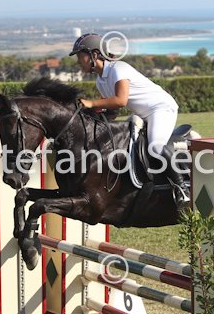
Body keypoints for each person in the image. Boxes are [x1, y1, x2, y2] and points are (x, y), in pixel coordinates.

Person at [70, 33, 190, 205]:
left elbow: (121, 100)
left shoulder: (118, 68)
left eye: (80, 57)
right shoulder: (100, 81)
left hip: (161, 109)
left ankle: (182, 190)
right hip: (143, 114)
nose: (78, 62)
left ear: (94, 55)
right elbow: (113, 110)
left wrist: (92, 102)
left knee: (155, 147)